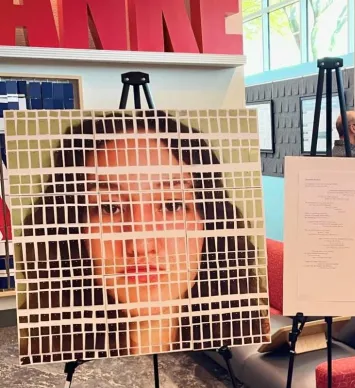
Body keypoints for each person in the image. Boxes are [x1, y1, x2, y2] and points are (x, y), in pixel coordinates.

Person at [17, 110, 270, 365]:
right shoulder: (46, 365)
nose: (140, 245)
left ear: (209, 223)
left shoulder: (250, 361)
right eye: (109, 207)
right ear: (72, 228)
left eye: (172, 205)